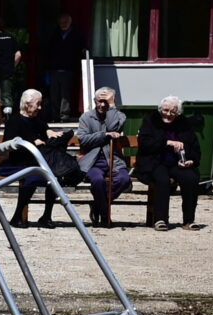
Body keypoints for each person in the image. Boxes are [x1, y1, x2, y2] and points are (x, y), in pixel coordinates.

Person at [0, 88, 72, 228]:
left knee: (54, 177)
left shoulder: (37, 121)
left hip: (35, 163)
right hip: (16, 162)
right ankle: (18, 215)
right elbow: (11, 143)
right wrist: (32, 142)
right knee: (33, 177)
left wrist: (50, 132)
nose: (40, 107)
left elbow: (45, 130)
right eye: (38, 104)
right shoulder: (14, 121)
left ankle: (46, 216)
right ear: (27, 103)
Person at [140, 95, 203, 231]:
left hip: (177, 163)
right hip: (155, 162)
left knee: (190, 178)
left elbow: (194, 146)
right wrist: (167, 142)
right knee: (162, 180)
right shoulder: (151, 121)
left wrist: (191, 160)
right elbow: (145, 144)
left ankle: (189, 220)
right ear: (160, 109)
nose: (168, 114)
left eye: (173, 112)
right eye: (166, 110)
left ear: (178, 113)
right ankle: (160, 219)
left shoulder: (183, 124)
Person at [75, 86, 132, 229]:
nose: (102, 105)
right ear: (95, 101)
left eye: (106, 102)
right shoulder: (86, 117)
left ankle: (98, 205)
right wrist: (104, 135)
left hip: (114, 160)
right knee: (98, 180)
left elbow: (114, 127)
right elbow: (83, 139)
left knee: (124, 179)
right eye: (99, 101)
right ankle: (105, 216)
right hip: (92, 162)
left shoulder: (119, 115)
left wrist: (111, 108)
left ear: (112, 102)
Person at [42, 10, 89, 119]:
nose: (63, 24)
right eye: (61, 22)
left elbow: (82, 49)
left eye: (65, 22)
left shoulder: (76, 35)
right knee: (54, 95)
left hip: (69, 69)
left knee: (65, 95)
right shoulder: (55, 34)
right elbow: (49, 52)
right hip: (54, 70)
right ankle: (55, 115)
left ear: (69, 22)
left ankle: (64, 116)